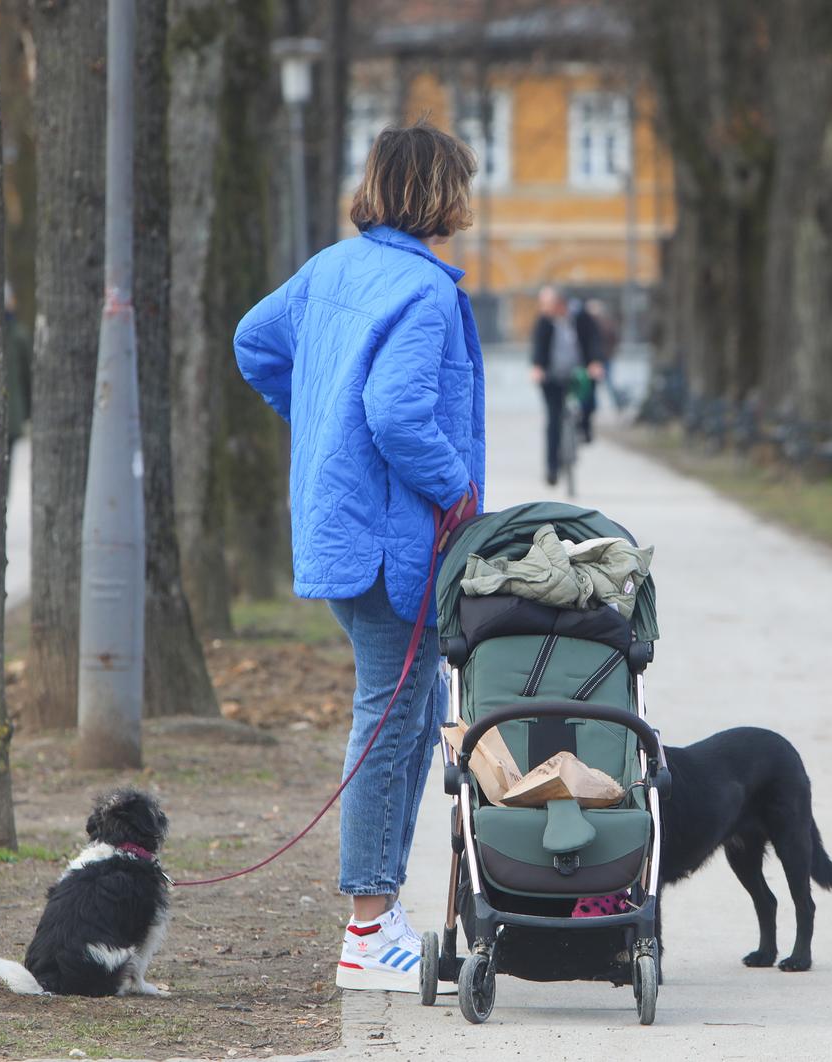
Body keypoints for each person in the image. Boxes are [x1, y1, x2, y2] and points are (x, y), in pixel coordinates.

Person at [234, 120, 485, 993]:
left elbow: (254, 343)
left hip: (349, 531)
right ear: (439, 192)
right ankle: (367, 928)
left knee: (412, 713)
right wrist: (456, 490)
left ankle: (381, 913)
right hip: (395, 544)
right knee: (389, 718)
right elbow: (398, 414)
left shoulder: (330, 269)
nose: (469, 200)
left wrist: (319, 427)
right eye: (462, 182)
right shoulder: (421, 290)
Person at [530, 286, 604, 485]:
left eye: (547, 305)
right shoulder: (544, 322)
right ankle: (552, 468)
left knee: (590, 390)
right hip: (553, 376)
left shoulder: (581, 318)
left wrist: (595, 362)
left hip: (578, 373)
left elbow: (594, 341)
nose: (543, 309)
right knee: (553, 420)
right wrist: (537, 367)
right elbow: (538, 347)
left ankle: (585, 426)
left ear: (559, 304)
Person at [585, 297, 627, 411]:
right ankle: (592, 407)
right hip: (593, 360)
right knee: (591, 385)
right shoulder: (587, 326)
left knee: (609, 383)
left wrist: (610, 353)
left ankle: (618, 405)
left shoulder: (606, 324)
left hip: (605, 358)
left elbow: (614, 339)